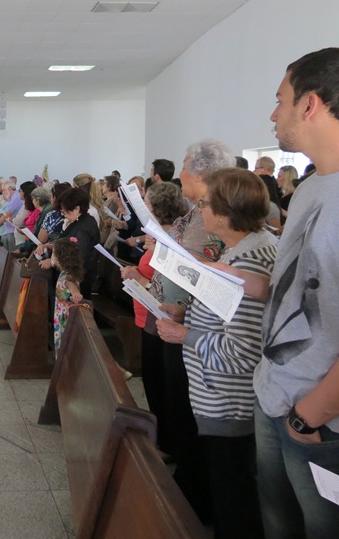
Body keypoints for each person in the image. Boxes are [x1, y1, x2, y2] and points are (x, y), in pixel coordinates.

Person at [157, 169, 276, 539]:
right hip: (219, 401)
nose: (199, 208)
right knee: (225, 495)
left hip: (229, 403)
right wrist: (185, 311)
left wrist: (185, 335)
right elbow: (223, 315)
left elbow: (242, 352)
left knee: (235, 508)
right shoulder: (241, 250)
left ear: (224, 215)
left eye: (205, 204)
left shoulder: (249, 262)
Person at [254, 47, 339, 539]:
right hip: (277, 391)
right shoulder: (310, 188)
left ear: (310, 104)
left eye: (280, 99)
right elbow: (300, 288)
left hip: (318, 416)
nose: (273, 113)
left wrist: (311, 417)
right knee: (278, 521)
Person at [120, 181, 188, 456]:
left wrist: (137, 275)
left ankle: (167, 442)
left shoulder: (173, 239)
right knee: (153, 378)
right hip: (147, 314)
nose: (144, 207)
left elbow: (164, 286)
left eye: (147, 203)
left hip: (159, 315)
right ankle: (161, 435)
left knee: (161, 382)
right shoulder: (159, 234)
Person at [51, 237, 84, 354]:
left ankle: (62, 367)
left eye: (53, 254)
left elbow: (73, 287)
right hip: (60, 313)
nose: (52, 256)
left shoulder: (67, 277)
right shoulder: (67, 272)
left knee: (62, 342)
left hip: (64, 317)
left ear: (60, 258)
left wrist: (76, 294)